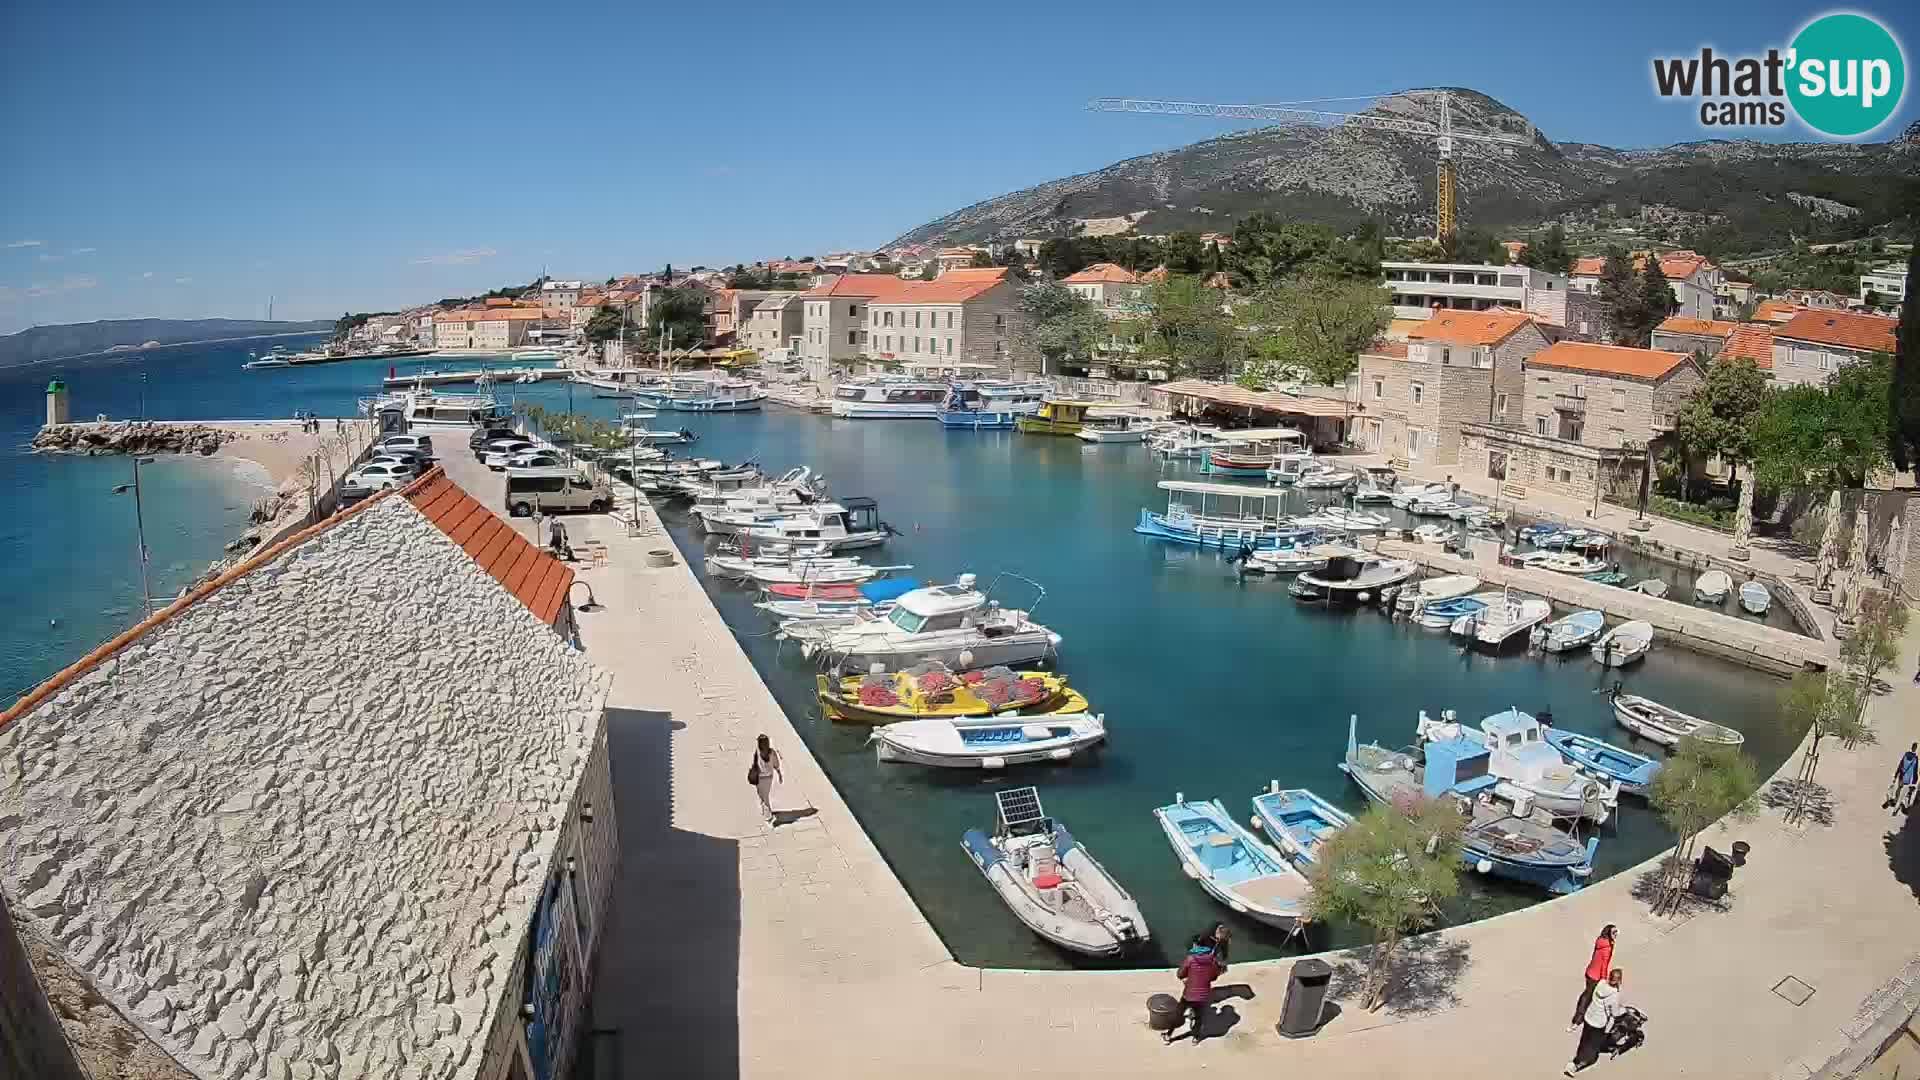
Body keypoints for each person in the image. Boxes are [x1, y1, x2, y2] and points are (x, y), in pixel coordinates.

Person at [1165, 931, 1225, 1045]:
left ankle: (1168, 1036)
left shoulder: (1191, 959)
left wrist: (1189, 978)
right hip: (1203, 996)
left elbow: (1180, 974)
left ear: (1196, 945)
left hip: (1189, 994)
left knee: (1178, 1014)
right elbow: (1214, 977)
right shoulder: (1212, 960)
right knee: (1199, 1017)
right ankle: (1196, 1038)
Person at [1567, 969, 1623, 1075]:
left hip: (1589, 1016)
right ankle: (1577, 1065)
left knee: (1584, 1039)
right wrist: (1623, 1010)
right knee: (1593, 1046)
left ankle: (1577, 1057)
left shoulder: (1601, 984)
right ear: (1619, 981)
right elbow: (1614, 1013)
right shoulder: (1614, 996)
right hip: (1599, 1023)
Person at [1570, 925, 1616, 1031]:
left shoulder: (1600, 941)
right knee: (1589, 997)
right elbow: (1604, 965)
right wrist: (1604, 979)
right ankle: (1578, 1020)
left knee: (1587, 994)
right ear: (1609, 933)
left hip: (1589, 972)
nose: (1616, 934)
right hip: (1596, 976)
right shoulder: (1607, 948)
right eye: (1614, 932)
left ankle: (1579, 1017)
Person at [749, 734, 783, 823]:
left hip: (760, 778)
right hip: (769, 778)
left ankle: (768, 816)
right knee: (764, 795)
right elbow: (776, 764)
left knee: (763, 797)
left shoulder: (758, 751)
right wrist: (779, 774)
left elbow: (754, 763)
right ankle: (766, 811)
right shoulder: (772, 752)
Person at [1894, 744, 1919, 815]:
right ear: (1915, 749)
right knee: (1908, 792)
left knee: (1899, 788)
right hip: (1909, 778)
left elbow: (1900, 765)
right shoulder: (1915, 758)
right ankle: (1905, 806)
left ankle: (1896, 801)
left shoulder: (1905, 756)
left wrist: (1896, 775)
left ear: (1911, 748)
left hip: (1902, 776)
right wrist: (1915, 779)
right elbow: (1915, 769)